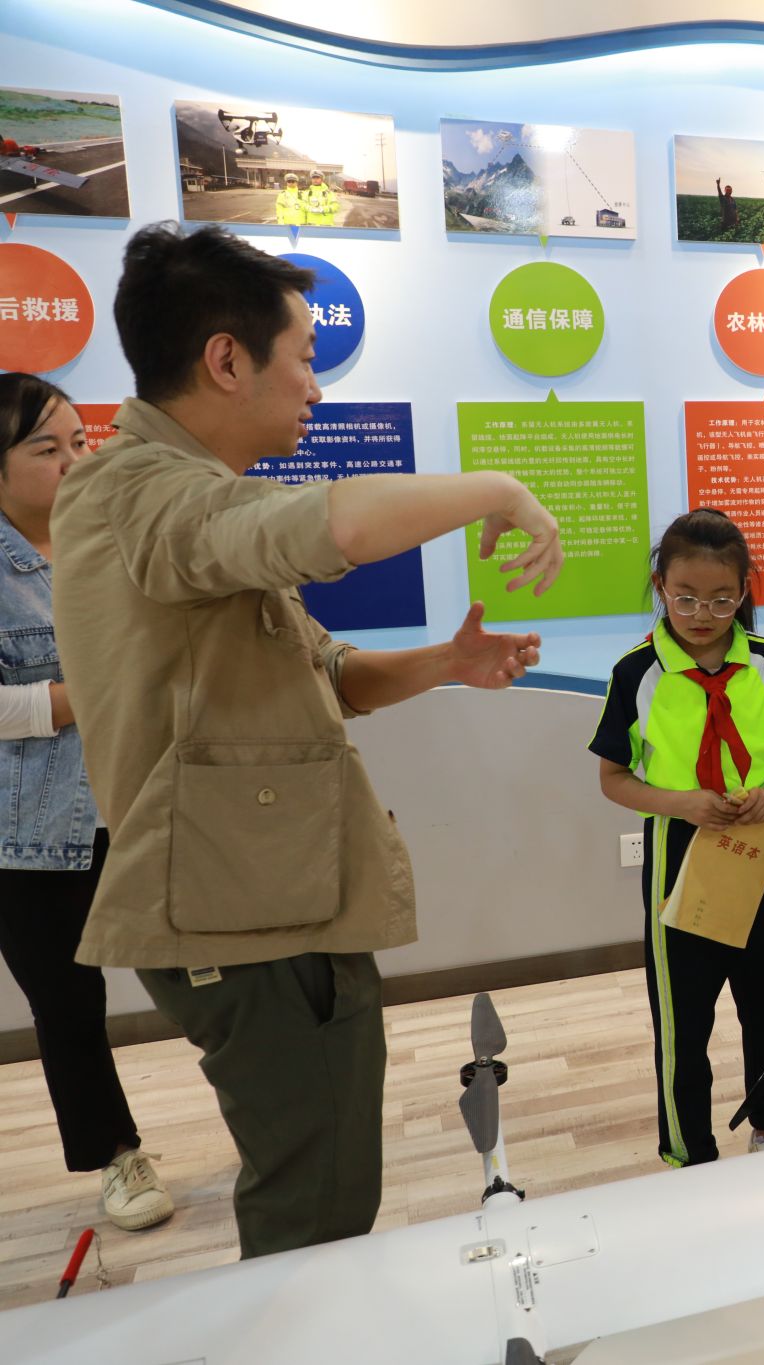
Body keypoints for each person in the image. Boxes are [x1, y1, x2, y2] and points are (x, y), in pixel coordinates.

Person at [51, 223, 564, 1259]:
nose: (315, 390)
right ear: (225, 360)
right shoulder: (145, 492)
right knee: (313, 1210)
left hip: (271, 896)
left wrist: (443, 663)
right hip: (248, 913)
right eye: (304, 360)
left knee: (326, 1186)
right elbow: (336, 528)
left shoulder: (173, 498)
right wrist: (499, 490)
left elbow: (319, 672)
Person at [0, 374, 172, 1233]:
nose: (74, 462)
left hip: (140, 801)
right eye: (48, 448)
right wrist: (90, 694)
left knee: (202, 971)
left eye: (80, 443)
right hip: (28, 832)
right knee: (69, 1005)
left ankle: (268, 1113)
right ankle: (116, 1155)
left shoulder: (109, 540)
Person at [590, 510, 764, 1165]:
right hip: (679, 856)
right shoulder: (637, 672)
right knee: (683, 1018)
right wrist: (682, 804)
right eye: (685, 597)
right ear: (661, 586)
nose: (702, 614)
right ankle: (689, 1151)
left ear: (744, 591)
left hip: (763, 850)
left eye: (721, 599)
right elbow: (613, 778)